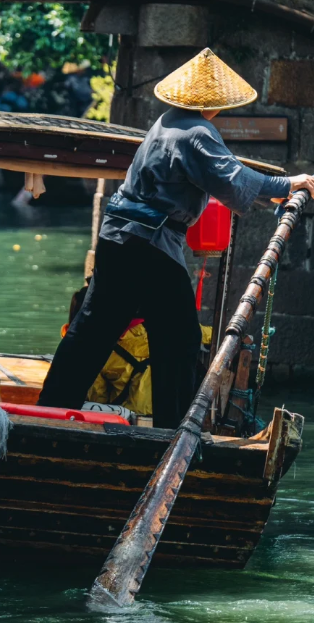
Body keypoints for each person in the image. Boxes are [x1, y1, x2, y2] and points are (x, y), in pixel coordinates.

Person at [38, 47, 314, 429]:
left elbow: (226, 174)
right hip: (147, 245)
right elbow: (234, 185)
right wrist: (288, 183)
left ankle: (49, 409)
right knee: (180, 337)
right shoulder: (198, 131)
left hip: (118, 238)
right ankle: (172, 430)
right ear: (214, 104)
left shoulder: (167, 121)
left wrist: (273, 187)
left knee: (93, 329)